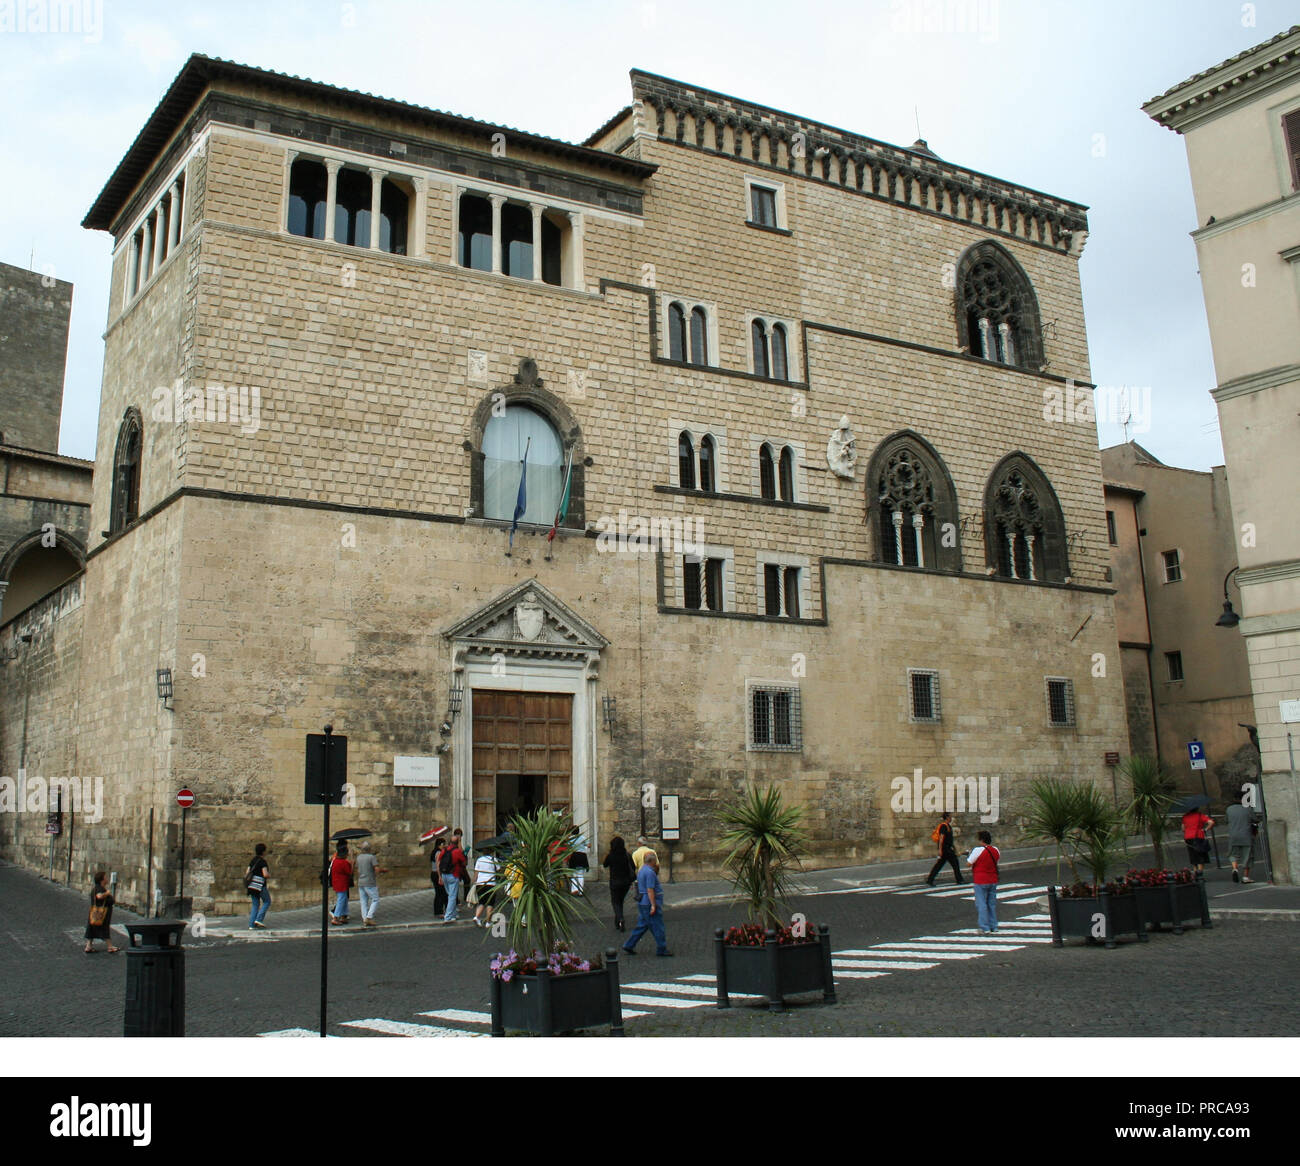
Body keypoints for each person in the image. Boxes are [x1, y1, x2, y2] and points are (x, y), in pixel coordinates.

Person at [622, 850, 672, 957]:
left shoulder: (642, 870)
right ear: (653, 861)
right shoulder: (650, 872)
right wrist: (653, 905)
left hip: (643, 902)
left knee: (642, 925)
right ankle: (661, 948)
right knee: (657, 926)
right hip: (649, 903)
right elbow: (650, 890)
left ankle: (629, 945)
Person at [966, 830, 1000, 934]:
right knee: (991, 904)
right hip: (993, 879)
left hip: (981, 879)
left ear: (981, 840)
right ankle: (994, 926)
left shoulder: (977, 850)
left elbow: (969, 863)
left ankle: (984, 927)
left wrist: (968, 855)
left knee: (981, 904)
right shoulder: (996, 850)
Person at [603, 836, 637, 932]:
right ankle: (618, 921)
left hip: (615, 881)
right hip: (626, 882)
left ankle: (620, 918)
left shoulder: (611, 855)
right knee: (620, 901)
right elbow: (633, 867)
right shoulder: (627, 855)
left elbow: (605, 864)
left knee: (615, 901)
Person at [1226, 791, 1259, 884]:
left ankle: (1235, 868)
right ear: (1243, 799)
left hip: (1233, 835)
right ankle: (1245, 877)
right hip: (1246, 835)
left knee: (1233, 854)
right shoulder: (1247, 809)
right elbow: (1255, 819)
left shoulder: (1229, 809)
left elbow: (1226, 819)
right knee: (1247, 856)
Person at [84, 872, 118, 954]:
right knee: (104, 928)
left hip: (94, 913)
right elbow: (99, 896)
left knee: (92, 928)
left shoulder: (96, 888)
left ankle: (88, 946)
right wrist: (107, 893)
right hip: (101, 913)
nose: (107, 879)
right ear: (102, 880)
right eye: (105, 877)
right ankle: (110, 946)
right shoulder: (100, 889)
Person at [925, 811, 962, 886]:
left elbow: (950, 840)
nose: (951, 818)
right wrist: (940, 850)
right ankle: (959, 879)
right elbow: (941, 838)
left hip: (947, 849)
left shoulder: (948, 826)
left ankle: (930, 879)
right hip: (946, 850)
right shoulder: (944, 826)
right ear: (947, 817)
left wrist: (954, 849)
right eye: (950, 817)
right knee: (955, 863)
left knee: (939, 865)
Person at [355, 840, 387, 926]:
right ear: (369, 849)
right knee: (375, 899)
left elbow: (357, 870)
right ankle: (369, 917)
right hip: (369, 882)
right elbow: (376, 869)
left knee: (363, 901)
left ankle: (365, 918)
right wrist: (381, 871)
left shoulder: (359, 857)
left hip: (361, 882)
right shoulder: (371, 857)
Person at [440, 829, 467, 924]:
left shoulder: (444, 850)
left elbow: (439, 861)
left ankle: (454, 914)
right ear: (457, 842)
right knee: (452, 896)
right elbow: (464, 861)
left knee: (450, 894)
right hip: (453, 875)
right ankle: (447, 917)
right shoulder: (457, 851)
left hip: (444, 875)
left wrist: (440, 876)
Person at [246, 842, 271, 930]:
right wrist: (269, 875)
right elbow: (265, 874)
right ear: (263, 852)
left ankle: (251, 925)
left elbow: (247, 872)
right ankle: (259, 919)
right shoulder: (263, 862)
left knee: (255, 904)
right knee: (267, 901)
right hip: (260, 885)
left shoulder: (252, 861)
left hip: (252, 886)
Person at [1182, 805, 1214, 873]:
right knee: (1200, 856)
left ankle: (1195, 872)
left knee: (1193, 856)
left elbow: (1183, 828)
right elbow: (1211, 822)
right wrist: (1205, 829)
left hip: (1188, 838)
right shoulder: (1200, 815)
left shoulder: (1185, 816)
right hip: (1198, 836)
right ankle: (1200, 873)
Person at [472, 848, 499, 928]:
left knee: (481, 902)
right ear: (491, 852)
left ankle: (476, 917)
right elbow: (499, 870)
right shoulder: (494, 860)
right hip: (491, 884)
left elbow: (476, 873)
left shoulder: (479, 860)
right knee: (490, 903)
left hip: (480, 883)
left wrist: (474, 882)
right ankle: (488, 922)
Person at [329, 842, 353, 925]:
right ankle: (336, 917)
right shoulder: (344, 863)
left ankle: (343, 915)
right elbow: (349, 872)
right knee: (341, 900)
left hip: (336, 883)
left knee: (344, 899)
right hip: (342, 884)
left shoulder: (335, 861)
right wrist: (352, 864)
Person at [430, 837, 448, 918]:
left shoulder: (435, 852)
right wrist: (440, 876)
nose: (444, 846)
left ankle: (440, 910)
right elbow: (438, 865)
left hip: (434, 874)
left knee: (440, 892)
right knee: (440, 893)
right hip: (437, 874)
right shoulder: (438, 853)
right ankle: (438, 911)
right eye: (443, 844)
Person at [568, 830, 589, 895]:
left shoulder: (570, 839)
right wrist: (584, 847)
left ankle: (574, 889)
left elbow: (567, 846)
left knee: (574, 874)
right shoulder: (583, 837)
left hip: (574, 856)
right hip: (582, 856)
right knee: (581, 875)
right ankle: (580, 891)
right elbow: (589, 845)